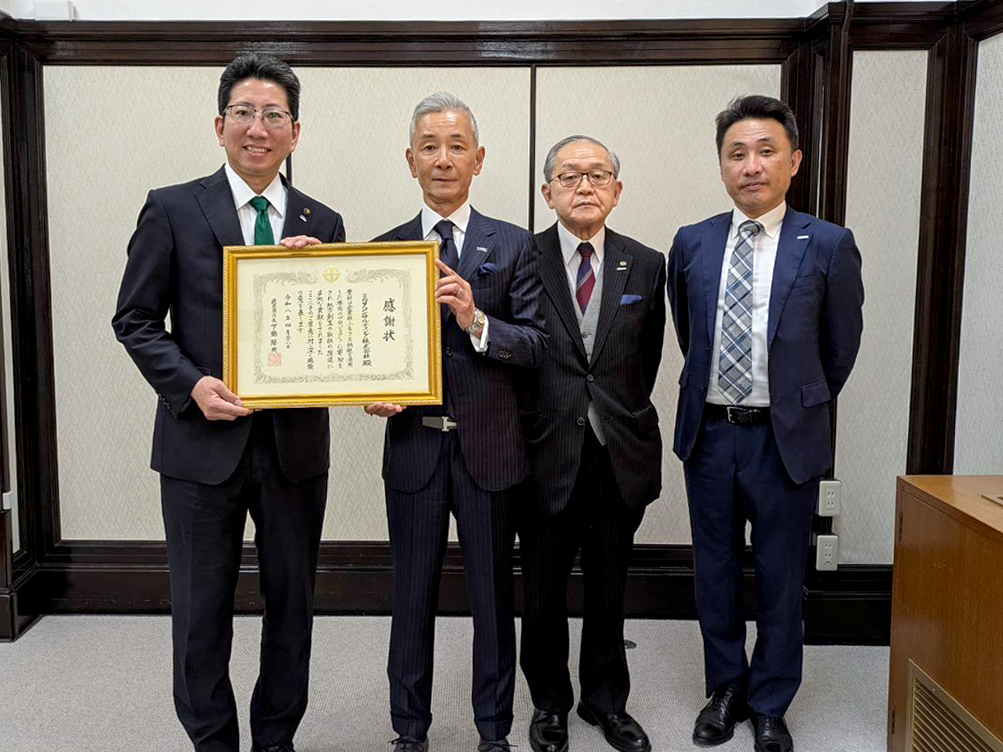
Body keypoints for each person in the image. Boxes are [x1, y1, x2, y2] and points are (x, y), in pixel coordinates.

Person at [112, 54, 344, 752]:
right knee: (200, 612)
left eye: (274, 115)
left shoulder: (323, 221)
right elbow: (135, 319)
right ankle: (212, 742)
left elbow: (336, 340)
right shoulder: (172, 207)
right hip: (199, 446)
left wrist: (320, 276)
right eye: (244, 112)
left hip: (294, 451)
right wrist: (190, 385)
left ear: (295, 132)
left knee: (292, 608)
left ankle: (276, 739)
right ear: (220, 125)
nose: (257, 127)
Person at [666, 95, 864, 752]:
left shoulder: (828, 243)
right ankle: (726, 687)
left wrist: (795, 407)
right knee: (714, 571)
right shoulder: (691, 242)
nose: (750, 165)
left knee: (781, 576)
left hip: (784, 440)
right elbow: (688, 333)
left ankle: (772, 699)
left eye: (765, 151)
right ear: (722, 164)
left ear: (793, 161)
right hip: (710, 434)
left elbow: (838, 349)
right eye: (736, 153)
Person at [365, 92, 547, 752]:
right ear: (410, 159)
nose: (443, 159)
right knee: (411, 597)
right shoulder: (382, 250)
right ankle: (408, 731)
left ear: (478, 158)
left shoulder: (516, 244)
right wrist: (372, 391)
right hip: (414, 449)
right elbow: (367, 350)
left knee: (493, 599)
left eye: (456, 146)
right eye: (430, 147)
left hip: (490, 451)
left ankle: (493, 732)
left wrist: (476, 319)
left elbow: (537, 346)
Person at [518, 136, 665, 752]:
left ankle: (606, 700)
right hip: (543, 448)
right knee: (542, 589)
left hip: (616, 451)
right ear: (547, 191)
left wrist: (612, 413)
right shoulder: (522, 256)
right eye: (570, 176)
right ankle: (549, 702)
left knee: (609, 585)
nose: (585, 186)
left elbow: (645, 359)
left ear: (617, 191)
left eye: (598, 175)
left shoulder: (647, 263)